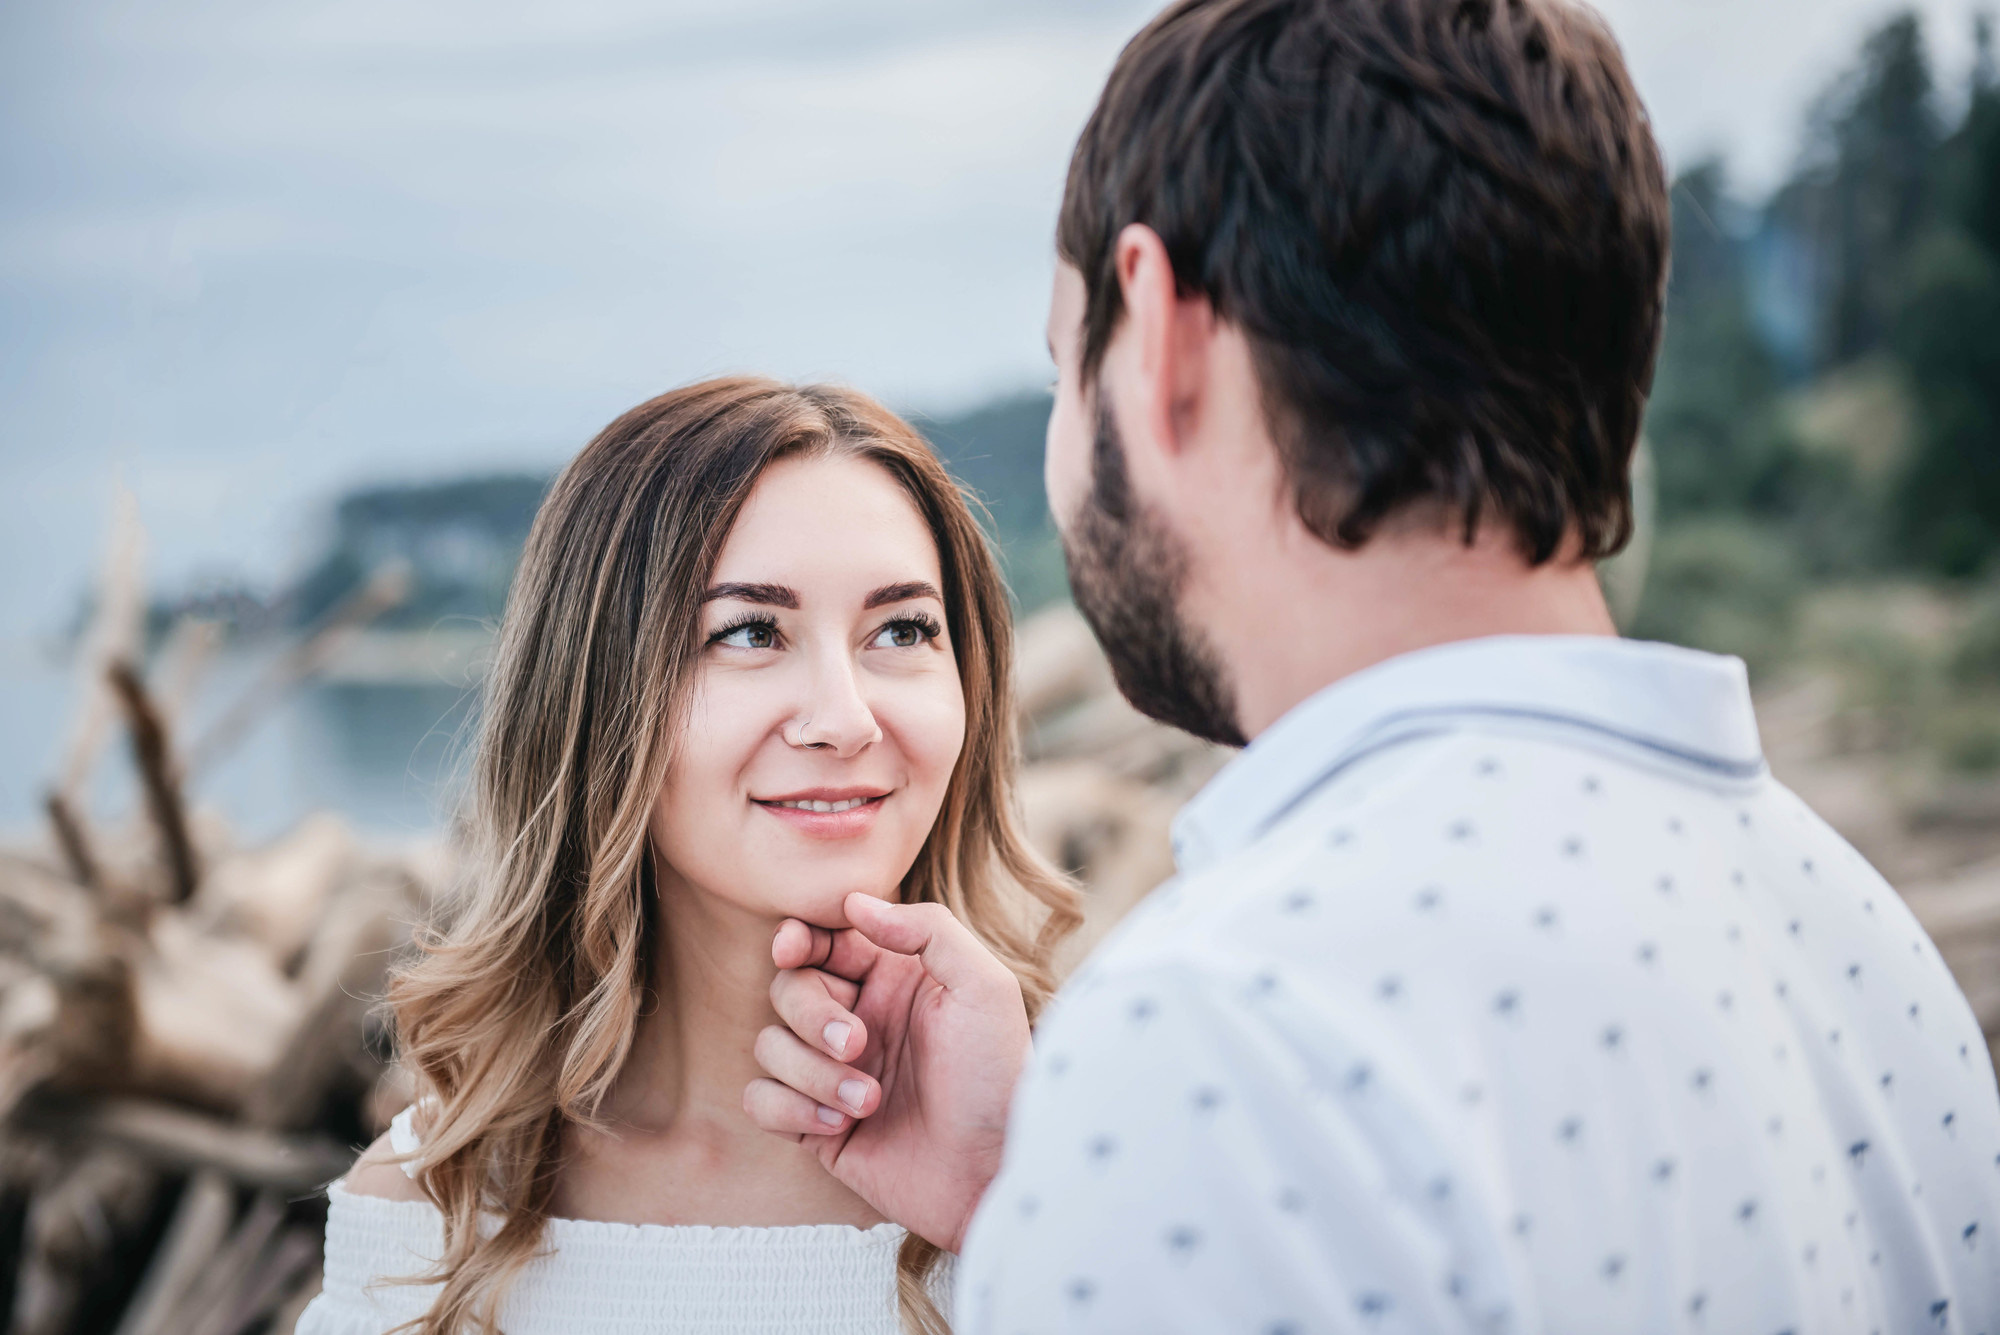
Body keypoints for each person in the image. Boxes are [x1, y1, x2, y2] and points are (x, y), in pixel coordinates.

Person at [743, 0, 2000, 1329]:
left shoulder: (1223, 1037)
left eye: (1068, 371)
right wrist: (1025, 1207)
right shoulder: (1869, 951)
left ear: (1163, 337)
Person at [295, 377, 1078, 1335]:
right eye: (750, 631)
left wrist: (1007, 1206)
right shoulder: (432, 1221)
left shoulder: (1075, 1165)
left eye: (902, 629)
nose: (844, 717)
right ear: (595, 700)